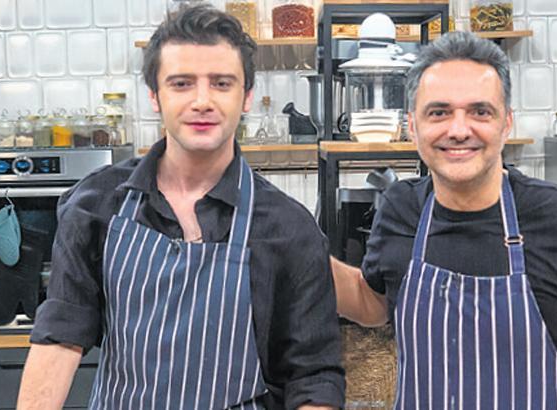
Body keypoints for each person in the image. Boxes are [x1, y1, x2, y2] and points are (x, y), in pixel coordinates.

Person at [18, 5, 344, 409]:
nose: (202, 101)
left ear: (246, 97)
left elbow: (312, 377)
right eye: (182, 84)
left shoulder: (289, 227)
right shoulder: (95, 205)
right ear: (155, 96)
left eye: (221, 83)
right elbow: (60, 338)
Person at [332, 31, 557, 409]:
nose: (459, 130)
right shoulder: (401, 210)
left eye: (480, 112)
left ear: (506, 123)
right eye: (439, 112)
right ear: (412, 126)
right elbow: (375, 305)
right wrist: (307, 252)